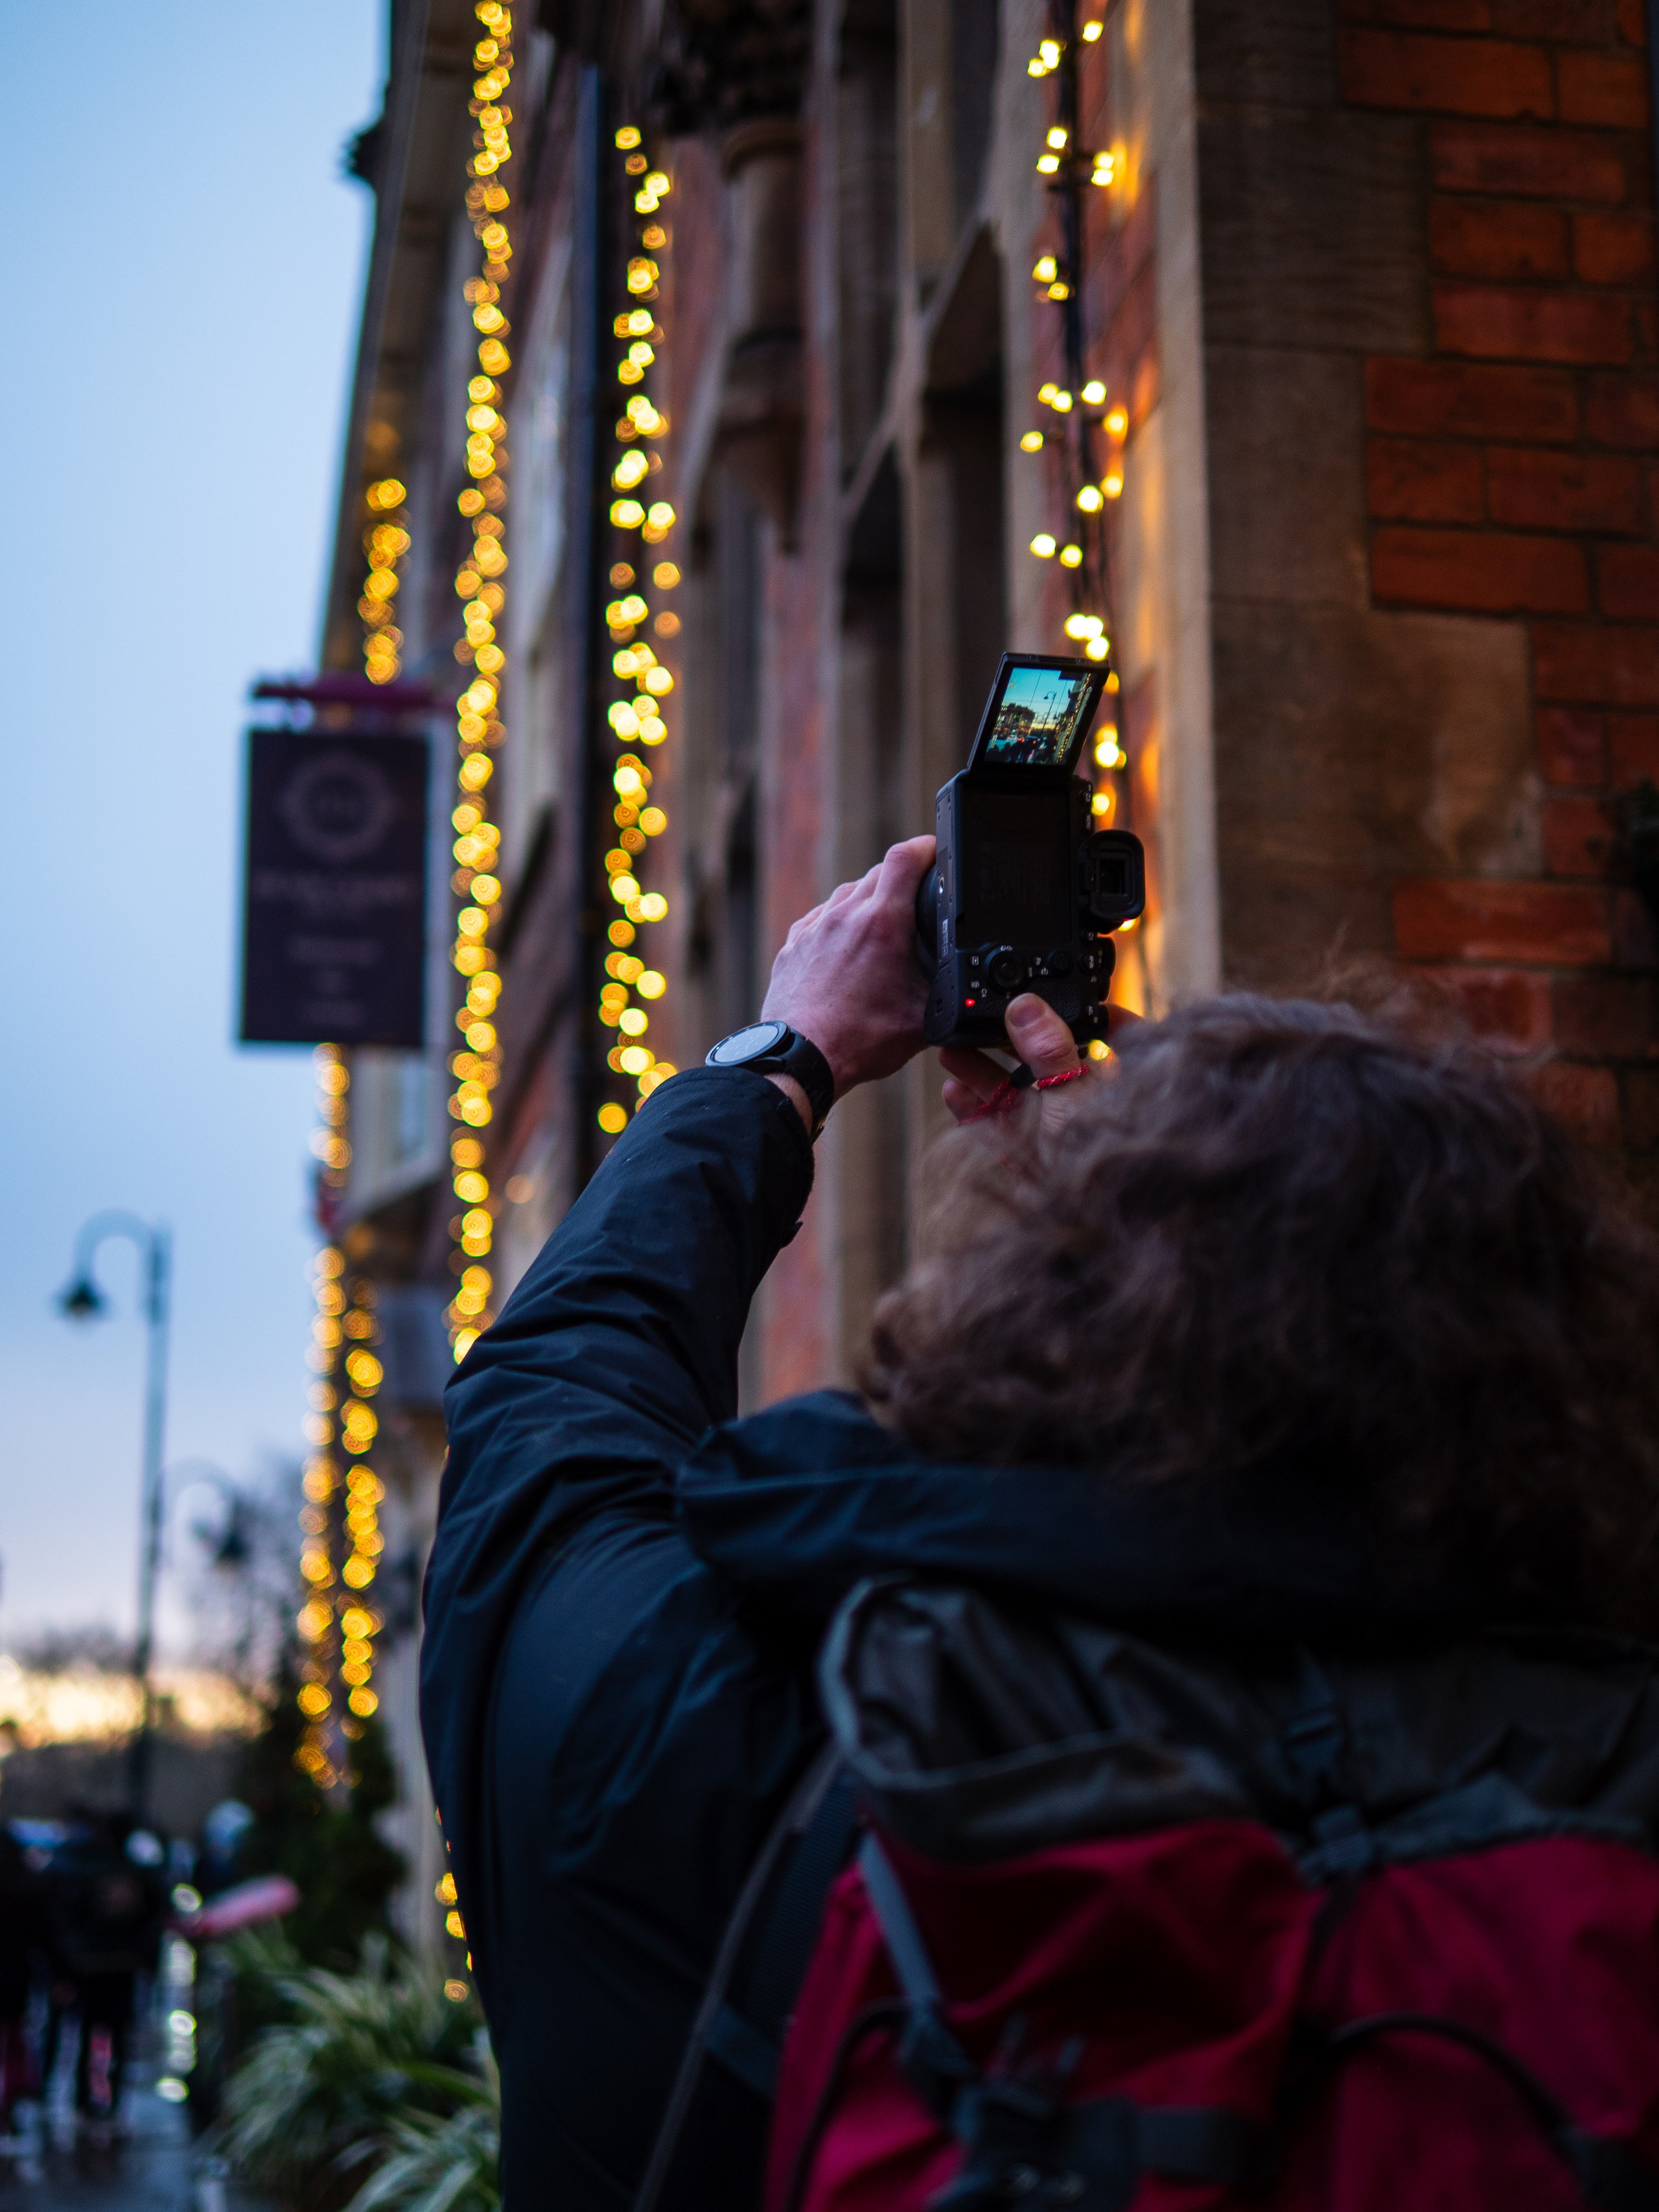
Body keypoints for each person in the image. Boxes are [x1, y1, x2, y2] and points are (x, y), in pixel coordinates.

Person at [421, 837, 1659, 2209]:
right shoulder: (1612, 1755)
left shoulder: (726, 1717)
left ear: (1035, 1313)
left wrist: (783, 1061)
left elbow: (549, 1411)